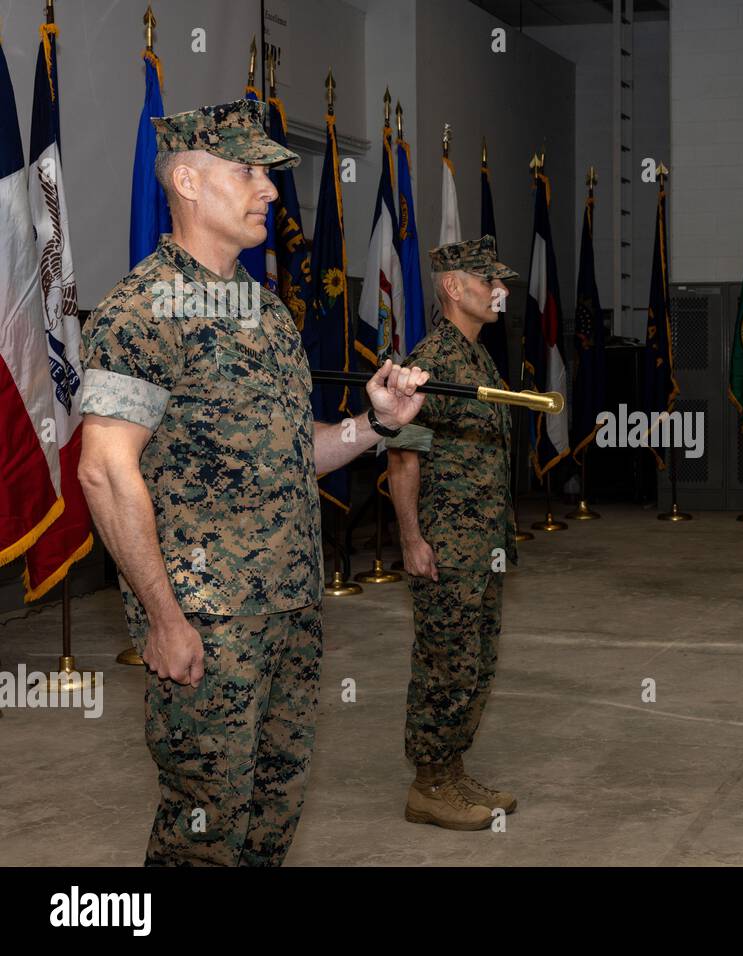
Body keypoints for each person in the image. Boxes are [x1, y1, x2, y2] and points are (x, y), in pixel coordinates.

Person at [77, 99, 429, 865]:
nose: (269, 190)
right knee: (202, 830)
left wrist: (376, 425)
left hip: (290, 612)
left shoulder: (263, 313)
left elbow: (290, 451)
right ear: (188, 181)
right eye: (248, 171)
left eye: (268, 175)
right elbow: (104, 471)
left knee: (271, 819)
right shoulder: (140, 311)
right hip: (209, 622)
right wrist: (164, 620)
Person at [386, 235, 519, 830]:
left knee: (478, 659)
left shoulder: (478, 353)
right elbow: (403, 458)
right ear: (452, 286)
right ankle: (428, 785)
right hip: (448, 542)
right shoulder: (430, 362)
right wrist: (412, 540)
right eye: (489, 279)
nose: (502, 291)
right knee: (445, 661)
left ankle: (453, 769)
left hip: (483, 542)